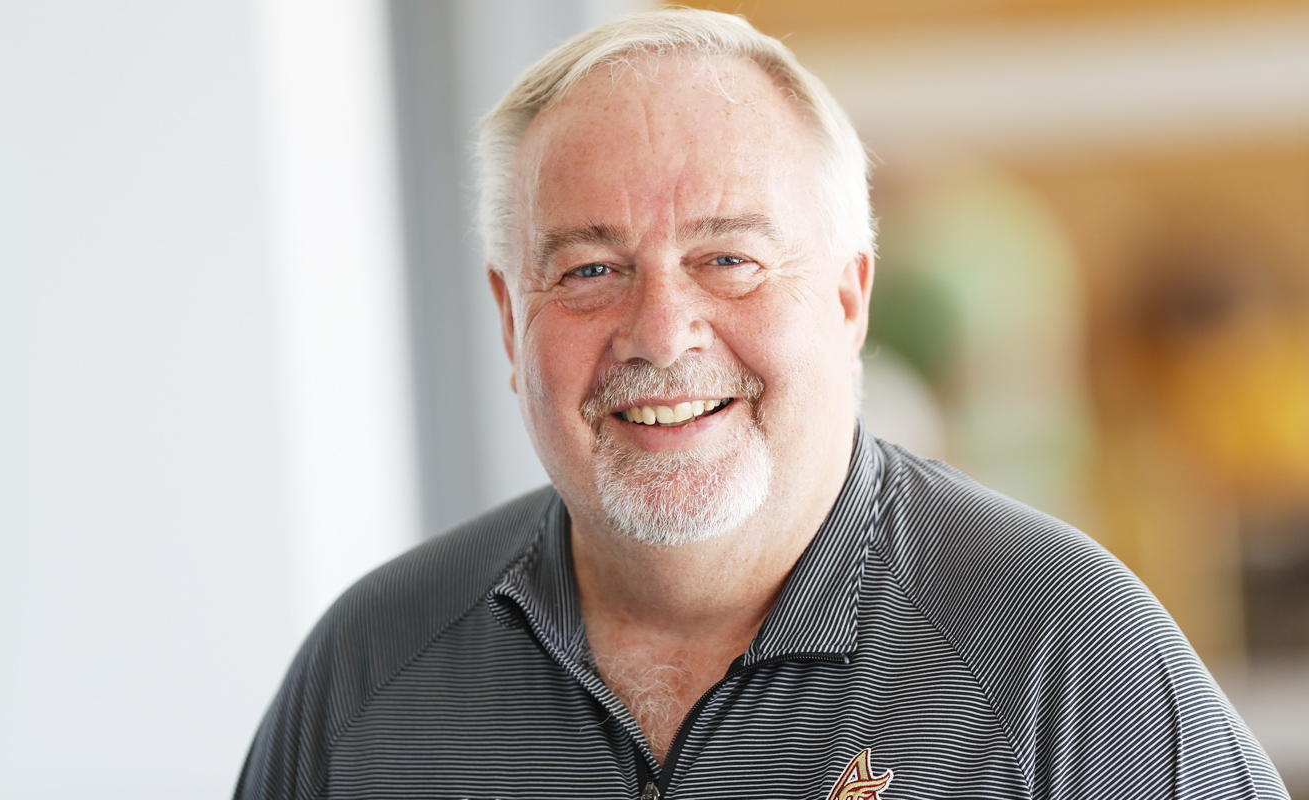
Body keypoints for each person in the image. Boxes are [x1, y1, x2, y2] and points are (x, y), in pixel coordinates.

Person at [235, 9, 1287, 799]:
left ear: (848, 298)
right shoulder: (369, 672)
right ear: (512, 319)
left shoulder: (1062, 651)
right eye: (591, 269)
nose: (661, 333)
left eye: (728, 258)